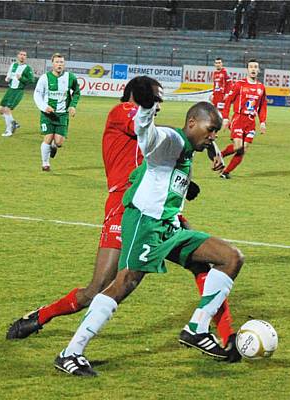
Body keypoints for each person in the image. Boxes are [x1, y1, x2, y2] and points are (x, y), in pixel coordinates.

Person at [6, 76, 238, 350]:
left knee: (203, 264)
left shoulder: (153, 126)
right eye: (155, 99)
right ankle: (44, 318)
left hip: (159, 203)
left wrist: (186, 173)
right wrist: (185, 133)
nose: (158, 106)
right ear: (139, 97)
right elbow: (153, 133)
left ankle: (226, 335)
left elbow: (164, 151)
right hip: (126, 206)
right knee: (99, 288)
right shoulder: (122, 112)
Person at [53, 86, 244, 376]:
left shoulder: (190, 148)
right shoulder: (169, 141)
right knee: (124, 283)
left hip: (169, 227)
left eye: (217, 132)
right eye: (211, 129)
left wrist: (213, 149)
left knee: (231, 258)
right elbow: (148, 134)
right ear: (192, 123)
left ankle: (197, 328)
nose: (214, 135)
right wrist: (145, 107)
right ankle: (71, 352)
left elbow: (186, 156)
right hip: (145, 224)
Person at [219, 59, 267, 179]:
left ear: (259, 70)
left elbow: (262, 107)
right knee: (237, 146)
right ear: (247, 69)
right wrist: (225, 118)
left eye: (256, 67)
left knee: (243, 149)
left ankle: (225, 172)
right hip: (239, 119)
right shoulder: (240, 84)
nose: (253, 69)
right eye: (251, 67)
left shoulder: (261, 87)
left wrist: (262, 122)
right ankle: (219, 155)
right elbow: (228, 101)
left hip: (251, 122)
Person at [33, 53, 80, 172]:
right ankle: (45, 163)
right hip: (47, 114)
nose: (59, 64)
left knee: (58, 142)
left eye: (61, 62)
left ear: (64, 64)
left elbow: (76, 92)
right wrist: (44, 107)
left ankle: (55, 146)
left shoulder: (70, 77)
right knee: (48, 138)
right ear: (52, 64)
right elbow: (37, 94)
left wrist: (73, 106)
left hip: (63, 114)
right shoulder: (45, 78)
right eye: (57, 62)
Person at [0, 50, 34, 137]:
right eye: (21, 54)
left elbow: (32, 80)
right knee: (0, 109)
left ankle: (9, 131)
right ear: (18, 56)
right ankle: (14, 122)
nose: (22, 56)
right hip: (10, 90)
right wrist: (7, 78)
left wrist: (21, 78)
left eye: (24, 55)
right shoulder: (13, 65)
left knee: (7, 109)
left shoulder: (27, 68)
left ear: (26, 57)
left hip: (18, 91)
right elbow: (9, 75)